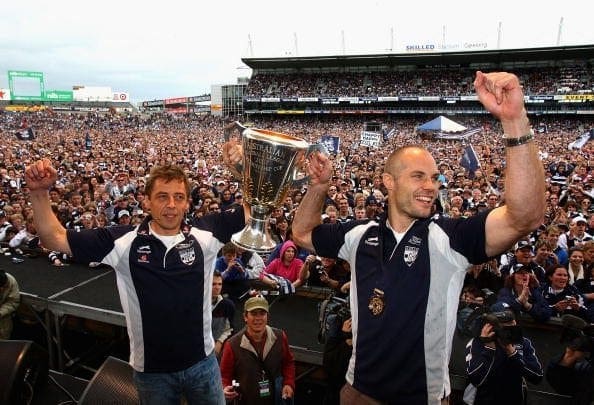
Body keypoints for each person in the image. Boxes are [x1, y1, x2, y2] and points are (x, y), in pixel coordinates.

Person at [291, 71, 545, 404]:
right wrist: (320, 187)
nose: (432, 185)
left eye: (435, 177)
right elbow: (303, 233)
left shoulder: (448, 239)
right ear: (388, 182)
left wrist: (514, 121)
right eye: (418, 176)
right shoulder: (358, 235)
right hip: (357, 391)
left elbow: (523, 216)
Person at [24, 143, 248, 405]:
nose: (171, 205)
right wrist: (39, 192)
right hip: (152, 372)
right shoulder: (122, 241)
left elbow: (255, 211)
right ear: (147, 201)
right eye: (162, 196)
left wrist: (243, 170)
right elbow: (54, 238)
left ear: (188, 201)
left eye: (178, 197)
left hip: (203, 362)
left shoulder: (207, 233)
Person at [220, 296, 296, 404]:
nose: (258, 318)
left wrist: (288, 383)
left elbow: (288, 363)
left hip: (276, 399)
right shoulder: (232, 344)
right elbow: (224, 376)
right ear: (245, 317)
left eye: (262, 313)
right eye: (254, 313)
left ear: (267, 316)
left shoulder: (279, 336)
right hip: (246, 400)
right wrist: (225, 388)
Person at [465, 310, 543, 404]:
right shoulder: (477, 343)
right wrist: (489, 348)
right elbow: (476, 380)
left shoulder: (522, 342)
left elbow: (537, 376)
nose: (510, 332)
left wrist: (512, 352)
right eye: (506, 328)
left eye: (513, 326)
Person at [211, 271, 235, 358]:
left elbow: (229, 329)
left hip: (219, 347)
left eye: (219, 284)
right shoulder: (196, 304)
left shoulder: (228, 305)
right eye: (213, 284)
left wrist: (220, 342)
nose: (217, 287)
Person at [0, 269, 20, 339]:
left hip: (3, 320)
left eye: (4, 286)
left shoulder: (10, 281)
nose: (2, 290)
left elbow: (13, 302)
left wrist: (1, 312)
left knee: (4, 345)